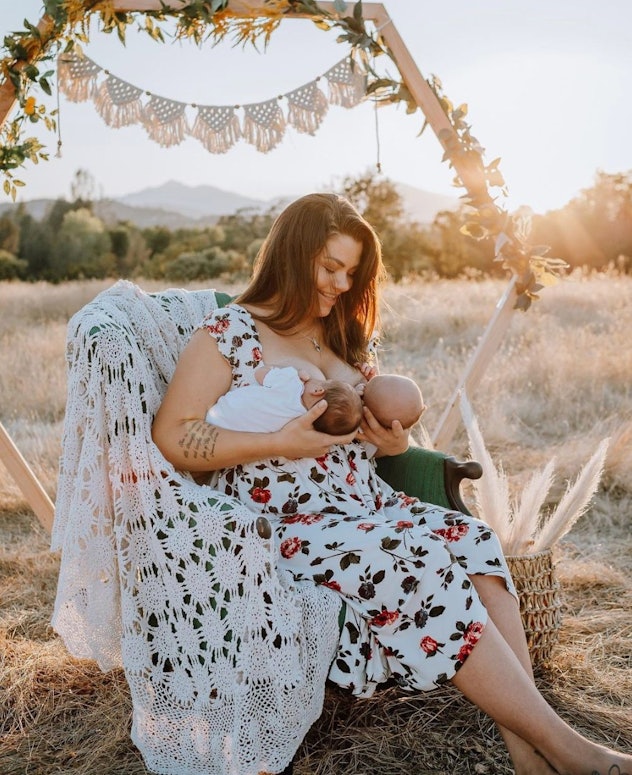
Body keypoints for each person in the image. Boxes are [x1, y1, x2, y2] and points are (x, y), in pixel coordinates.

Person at [152, 193, 632, 775]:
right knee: (418, 559)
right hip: (288, 521)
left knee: (473, 540)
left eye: (352, 273)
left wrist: (396, 447)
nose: (339, 284)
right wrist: (281, 442)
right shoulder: (231, 334)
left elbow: (380, 428)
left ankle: (526, 754)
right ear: (291, 255)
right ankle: (572, 753)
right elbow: (173, 438)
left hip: (367, 503)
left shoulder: (342, 334)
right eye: (330, 267)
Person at [205, 364, 364, 435]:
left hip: (219, 412)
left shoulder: (291, 383)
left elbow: (260, 373)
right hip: (232, 434)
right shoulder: (301, 424)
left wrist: (290, 372)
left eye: (324, 381)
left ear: (317, 390)